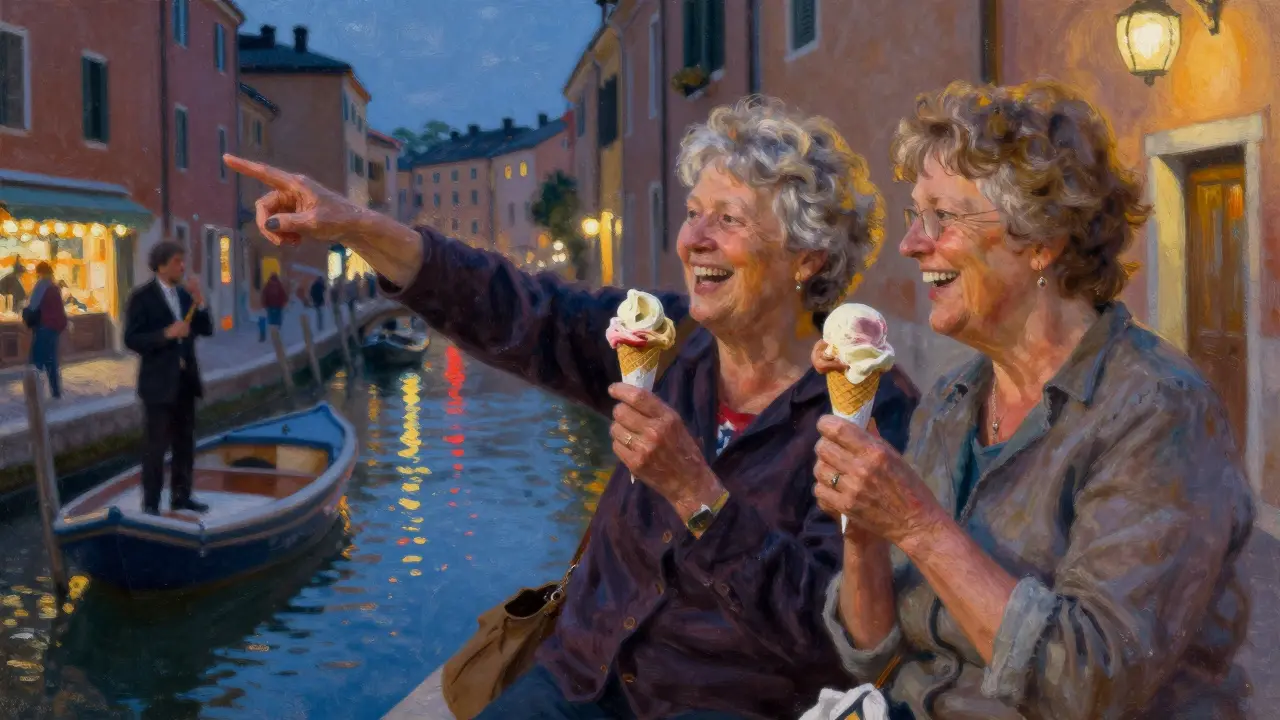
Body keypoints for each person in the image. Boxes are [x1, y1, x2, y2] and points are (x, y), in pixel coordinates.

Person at [226, 96, 920, 719]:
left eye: (728, 220)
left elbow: (835, 636)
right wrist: (355, 225)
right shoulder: (662, 342)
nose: (693, 239)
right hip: (579, 680)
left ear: (806, 258)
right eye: (692, 214)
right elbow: (516, 307)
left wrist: (698, 495)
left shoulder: (871, 411)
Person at [810, 80, 1254, 719]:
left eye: (945, 217)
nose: (911, 244)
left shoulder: (1158, 408)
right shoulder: (952, 401)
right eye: (916, 214)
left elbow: (1092, 683)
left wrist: (916, 524)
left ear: (1042, 240)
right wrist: (864, 526)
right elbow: (870, 652)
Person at [124, 241, 215, 516]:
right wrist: (165, 334)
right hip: (158, 385)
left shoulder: (186, 296)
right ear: (161, 265)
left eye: (182, 261)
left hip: (185, 382)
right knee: (155, 448)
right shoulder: (142, 297)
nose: (182, 267)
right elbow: (131, 339)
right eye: (177, 261)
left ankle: (181, 496)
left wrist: (201, 302)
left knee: (185, 443)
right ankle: (150, 504)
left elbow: (206, 329)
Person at [26, 262, 67, 399]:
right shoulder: (54, 286)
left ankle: (35, 393)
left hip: (44, 326)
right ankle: (55, 391)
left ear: (40, 272)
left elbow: (33, 306)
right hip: (55, 328)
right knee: (51, 360)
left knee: (35, 361)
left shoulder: (42, 285)